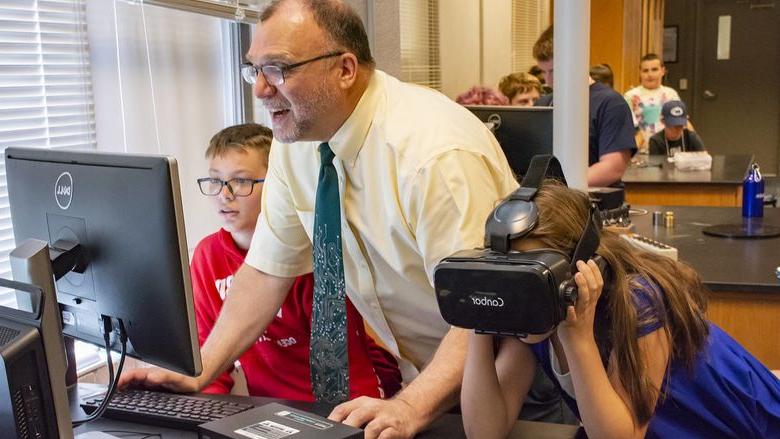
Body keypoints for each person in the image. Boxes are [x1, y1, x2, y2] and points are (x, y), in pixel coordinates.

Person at [119, 1, 518, 438]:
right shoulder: (299, 144)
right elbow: (266, 270)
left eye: (279, 69)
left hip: (513, 375)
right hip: (429, 377)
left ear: (345, 69)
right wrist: (200, 370)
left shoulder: (434, 157)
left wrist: (411, 406)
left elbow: (484, 305)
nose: (260, 90)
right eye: (255, 69)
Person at [461, 180, 780, 439]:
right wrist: (478, 322)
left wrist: (578, 339)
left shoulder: (636, 300)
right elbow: (484, 431)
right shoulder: (534, 317)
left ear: (576, 270)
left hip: (748, 425)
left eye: (531, 276)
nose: (518, 295)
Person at [191, 123, 402, 401]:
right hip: (267, 408)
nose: (224, 194)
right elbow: (211, 360)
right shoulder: (207, 257)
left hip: (334, 402)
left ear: (277, 184)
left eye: (241, 181)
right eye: (215, 180)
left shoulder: (310, 253)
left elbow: (343, 364)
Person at [533, 26, 636, 187]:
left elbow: (613, 167)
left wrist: (559, 188)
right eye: (543, 72)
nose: (548, 81)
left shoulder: (611, 103)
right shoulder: (543, 103)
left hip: (595, 202)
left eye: (554, 71)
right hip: (551, 200)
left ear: (577, 62)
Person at [623, 54, 681, 152]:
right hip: (640, 151)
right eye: (645, 71)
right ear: (640, 73)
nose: (650, 74)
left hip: (665, 149)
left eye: (654, 69)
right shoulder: (630, 96)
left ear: (662, 71)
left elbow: (681, 123)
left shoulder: (671, 94)